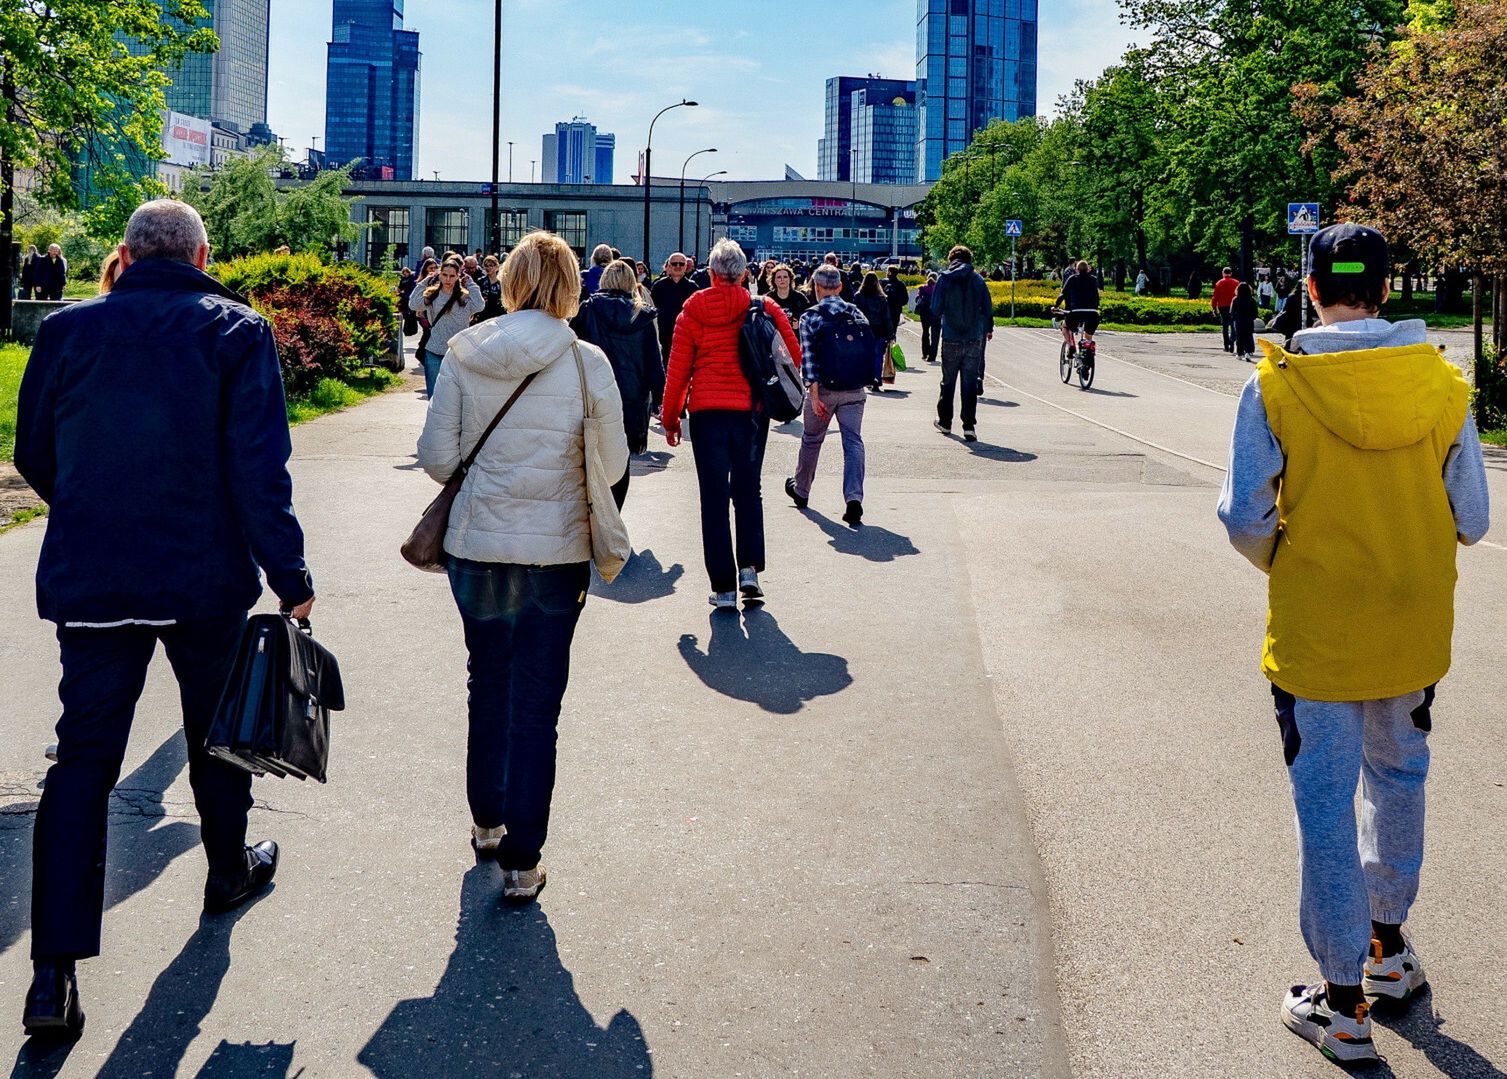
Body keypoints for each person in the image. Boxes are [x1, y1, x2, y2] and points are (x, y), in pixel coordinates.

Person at [13, 199, 315, 1038]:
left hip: (94, 574)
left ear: (127, 253)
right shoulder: (237, 331)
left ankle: (52, 975)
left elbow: (33, 450)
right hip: (201, 575)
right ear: (202, 255)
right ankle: (226, 868)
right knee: (216, 733)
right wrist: (289, 574)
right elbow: (259, 469)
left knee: (82, 760)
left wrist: (90, 510)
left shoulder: (66, 331)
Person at [1217, 222, 1489, 1066]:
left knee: (1324, 802)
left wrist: (1289, 561)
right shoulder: (1441, 383)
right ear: (1386, 286)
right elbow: (1473, 519)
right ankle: (1387, 948)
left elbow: (1244, 517)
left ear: (1309, 289)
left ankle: (1339, 1005)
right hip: (1410, 626)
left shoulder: (1277, 385)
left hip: (1318, 630)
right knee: (1398, 777)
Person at [417, 230, 629, 905]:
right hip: (555, 553)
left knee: (487, 682)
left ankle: (487, 819)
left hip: (478, 548)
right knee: (537, 706)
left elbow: (436, 459)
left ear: (509, 281)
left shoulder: (464, 350)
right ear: (570, 285)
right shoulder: (586, 361)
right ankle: (522, 861)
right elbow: (613, 465)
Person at [662, 238, 800, 609]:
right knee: (748, 490)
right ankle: (749, 572)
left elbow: (678, 372)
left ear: (710, 273)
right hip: (751, 412)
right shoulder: (765, 308)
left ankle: (723, 588)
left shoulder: (691, 312)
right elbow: (793, 356)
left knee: (713, 498)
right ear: (743, 274)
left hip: (706, 414)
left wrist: (672, 418)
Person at [786, 265, 875, 526]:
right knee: (853, 442)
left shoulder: (811, 316)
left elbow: (809, 360)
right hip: (854, 390)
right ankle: (854, 498)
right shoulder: (856, 312)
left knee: (812, 439)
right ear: (839, 287)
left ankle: (801, 490)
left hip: (824, 390)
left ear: (816, 287)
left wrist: (813, 396)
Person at [571, 259, 664, 454]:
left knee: (593, 452)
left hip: (594, 390)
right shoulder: (642, 315)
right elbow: (653, 362)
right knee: (625, 453)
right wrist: (659, 398)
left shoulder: (588, 309)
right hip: (633, 394)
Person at [931, 245, 993, 443]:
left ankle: (945, 421)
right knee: (969, 383)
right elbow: (988, 308)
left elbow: (935, 308)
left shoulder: (944, 279)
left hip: (951, 337)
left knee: (948, 381)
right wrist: (988, 328)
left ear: (951, 259)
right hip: (973, 338)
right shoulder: (978, 280)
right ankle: (969, 426)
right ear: (969, 259)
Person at [413, 257, 485, 399]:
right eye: (444, 275)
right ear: (439, 275)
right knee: (435, 396)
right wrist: (425, 281)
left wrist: (470, 283)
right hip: (434, 350)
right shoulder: (432, 295)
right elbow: (414, 304)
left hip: (458, 353)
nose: (448, 279)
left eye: (452, 276)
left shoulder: (464, 298)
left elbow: (479, 305)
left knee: (458, 397)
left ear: (458, 276)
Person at [650, 252, 699, 369]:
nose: (678, 266)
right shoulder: (658, 286)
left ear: (686, 267)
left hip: (685, 335)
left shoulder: (693, 287)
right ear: (669, 266)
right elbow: (652, 309)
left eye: (681, 264)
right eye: (674, 263)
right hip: (663, 334)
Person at [1055, 260, 1101, 367]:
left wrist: (1056, 306)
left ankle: (1071, 346)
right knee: (1088, 335)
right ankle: (1088, 354)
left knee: (1065, 326)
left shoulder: (1072, 279)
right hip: (1093, 313)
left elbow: (1062, 294)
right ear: (1088, 269)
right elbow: (1096, 296)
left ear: (1076, 269)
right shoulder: (1093, 280)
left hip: (1076, 312)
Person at [854, 272, 895, 388]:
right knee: (878, 355)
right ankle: (877, 378)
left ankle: (868, 378)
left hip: (863, 329)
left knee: (865, 355)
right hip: (879, 329)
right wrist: (891, 333)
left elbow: (855, 314)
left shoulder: (858, 296)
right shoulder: (881, 298)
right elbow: (886, 317)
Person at [1211, 266, 1240, 354]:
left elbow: (1215, 297)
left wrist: (1214, 308)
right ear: (1231, 273)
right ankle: (1232, 342)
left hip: (1222, 306)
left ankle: (1226, 345)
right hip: (1234, 306)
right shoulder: (1236, 282)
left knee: (1225, 326)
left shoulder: (1219, 283)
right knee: (1233, 325)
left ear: (1223, 273)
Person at [883, 265, 910, 358]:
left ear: (889, 272)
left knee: (883, 331)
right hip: (895, 311)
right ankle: (891, 352)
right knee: (893, 331)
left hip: (884, 310)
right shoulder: (900, 284)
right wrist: (898, 304)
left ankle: (883, 350)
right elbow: (905, 299)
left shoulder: (883, 282)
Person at [916, 271, 941, 364]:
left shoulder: (923, 288)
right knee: (935, 336)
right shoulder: (938, 289)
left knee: (925, 333)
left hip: (925, 313)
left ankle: (925, 352)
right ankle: (932, 356)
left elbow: (917, 299)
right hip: (936, 314)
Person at [1232, 280, 1259, 362]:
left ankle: (1240, 353)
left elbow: (1232, 312)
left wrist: (1235, 318)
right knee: (1248, 337)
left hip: (1239, 321)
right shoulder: (1252, 300)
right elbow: (1255, 313)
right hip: (1249, 321)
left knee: (1239, 337)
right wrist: (1251, 318)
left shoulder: (1235, 299)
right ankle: (1248, 352)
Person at [475, 254, 505, 323]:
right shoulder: (480, 281)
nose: (488, 268)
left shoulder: (501, 283)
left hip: (498, 315)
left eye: (491, 265)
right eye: (486, 266)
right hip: (483, 315)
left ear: (496, 267)